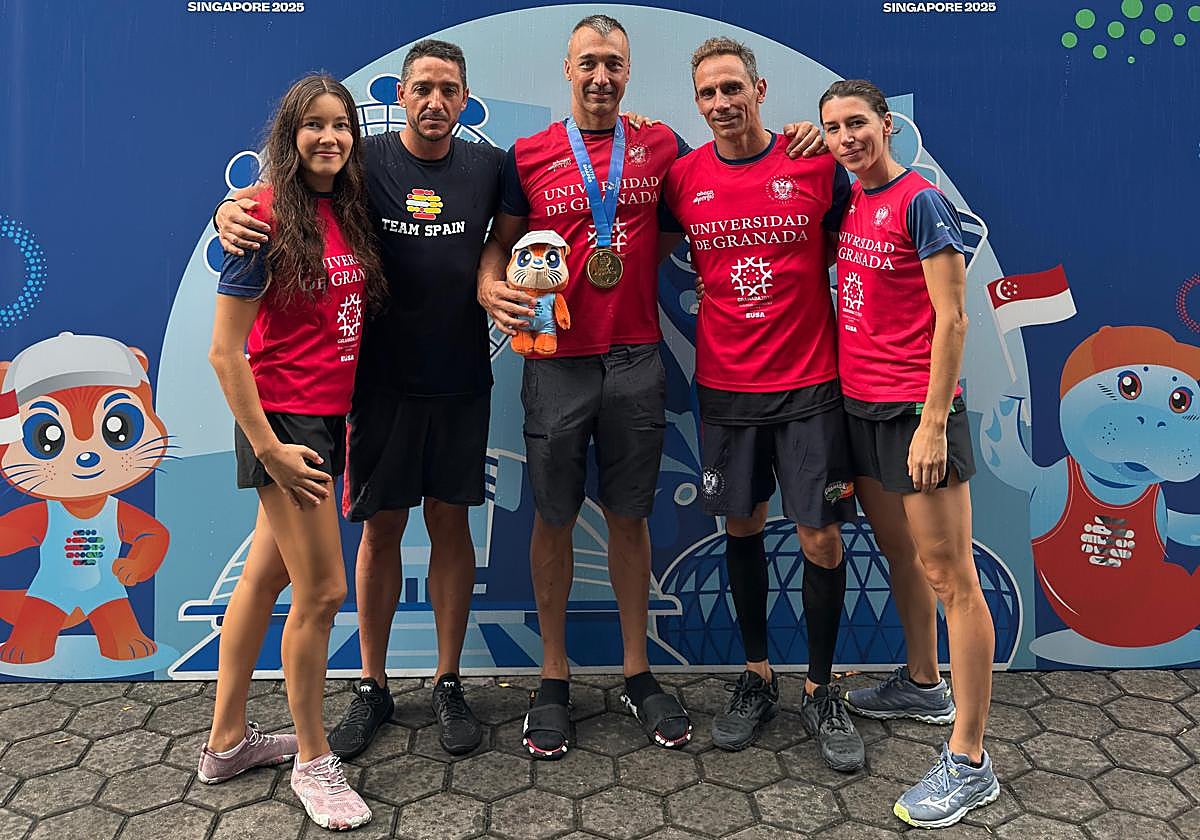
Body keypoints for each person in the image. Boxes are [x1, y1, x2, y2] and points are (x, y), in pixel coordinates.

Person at [476, 14, 824, 759]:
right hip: (555, 359)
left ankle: (638, 673)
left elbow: (727, 182)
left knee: (628, 518)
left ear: (629, 73)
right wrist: (487, 288)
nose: (602, 77)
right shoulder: (527, 155)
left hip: (636, 359)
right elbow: (500, 247)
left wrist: (809, 134)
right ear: (567, 69)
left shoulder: (663, 145)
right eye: (589, 64)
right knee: (554, 518)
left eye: (615, 65)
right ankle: (553, 679)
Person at [215, 40, 505, 759]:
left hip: (462, 379)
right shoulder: (362, 158)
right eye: (422, 87)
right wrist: (230, 209)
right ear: (401, 95)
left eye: (449, 89)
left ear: (465, 100)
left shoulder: (491, 165)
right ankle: (372, 686)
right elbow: (281, 192)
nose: (435, 101)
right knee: (378, 532)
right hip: (373, 389)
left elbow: (511, 239)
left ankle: (446, 681)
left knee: (450, 528)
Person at [660, 37, 863, 772]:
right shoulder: (681, 177)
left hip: (811, 387)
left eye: (732, 89)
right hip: (726, 389)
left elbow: (864, 246)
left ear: (760, 88)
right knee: (741, 526)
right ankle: (757, 678)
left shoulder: (815, 161)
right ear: (697, 101)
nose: (721, 104)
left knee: (820, 540)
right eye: (708, 93)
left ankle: (819, 689)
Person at [203, 74, 384, 831]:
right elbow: (223, 353)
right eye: (314, 126)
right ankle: (314, 762)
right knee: (322, 594)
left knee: (263, 577)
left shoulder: (342, 210)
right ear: (289, 134)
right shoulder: (261, 217)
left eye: (341, 125)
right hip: (287, 426)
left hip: (324, 419)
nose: (329, 139)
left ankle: (225, 745)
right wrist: (271, 449)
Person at [819, 79, 998, 828]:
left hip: (913, 413)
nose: (845, 138)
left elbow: (953, 319)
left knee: (951, 576)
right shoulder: (856, 195)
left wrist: (931, 423)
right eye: (832, 128)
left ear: (887, 124)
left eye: (857, 124)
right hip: (860, 405)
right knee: (903, 557)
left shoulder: (919, 200)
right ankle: (924, 683)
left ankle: (970, 760)